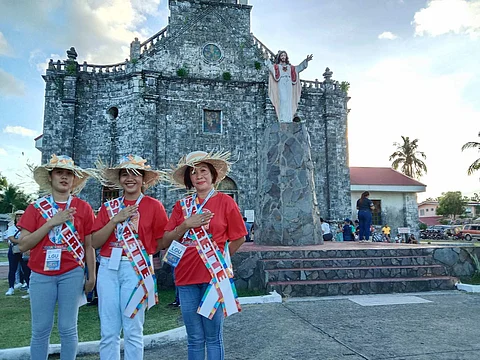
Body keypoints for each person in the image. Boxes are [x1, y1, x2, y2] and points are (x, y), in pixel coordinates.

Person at [159, 150, 247, 360]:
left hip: (213, 278)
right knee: (194, 337)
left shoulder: (226, 202)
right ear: (189, 179)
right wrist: (186, 225)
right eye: (194, 172)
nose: (199, 176)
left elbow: (239, 237)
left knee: (213, 336)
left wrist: (220, 258)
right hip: (185, 277)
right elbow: (164, 241)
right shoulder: (182, 206)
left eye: (203, 170)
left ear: (213, 175)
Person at [17, 154, 96, 360]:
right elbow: (23, 245)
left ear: (73, 179)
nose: (64, 177)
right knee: (41, 329)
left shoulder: (84, 208)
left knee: (68, 327)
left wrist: (92, 276)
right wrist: (51, 222)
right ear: (51, 178)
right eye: (59, 173)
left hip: (72, 273)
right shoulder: (35, 208)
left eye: (68, 174)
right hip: (41, 274)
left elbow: (89, 245)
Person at [92, 155, 168, 360]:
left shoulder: (154, 206)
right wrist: (114, 220)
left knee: (133, 328)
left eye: (135, 174)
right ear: (119, 179)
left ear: (143, 179)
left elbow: (162, 240)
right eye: (125, 174)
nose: (130, 179)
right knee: (109, 330)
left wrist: (145, 248)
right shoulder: (109, 208)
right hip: (108, 268)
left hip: (136, 269)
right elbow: (94, 242)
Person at [265, 50, 313, 123]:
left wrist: (306, 61)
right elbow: (270, 67)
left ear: (286, 57)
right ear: (279, 57)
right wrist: (266, 59)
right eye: (282, 55)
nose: (283, 57)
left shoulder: (291, 68)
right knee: (282, 100)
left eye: (284, 55)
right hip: (281, 83)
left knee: (289, 101)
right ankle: (282, 119)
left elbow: (299, 67)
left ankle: (289, 119)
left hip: (289, 84)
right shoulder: (276, 67)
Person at [5, 210, 26, 296]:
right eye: (17, 216)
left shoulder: (26, 227)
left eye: (21, 216)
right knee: (12, 269)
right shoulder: (12, 227)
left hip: (24, 249)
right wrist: (21, 242)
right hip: (14, 249)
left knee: (26, 269)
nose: (19, 218)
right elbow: (11, 238)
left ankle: (27, 285)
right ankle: (11, 288)